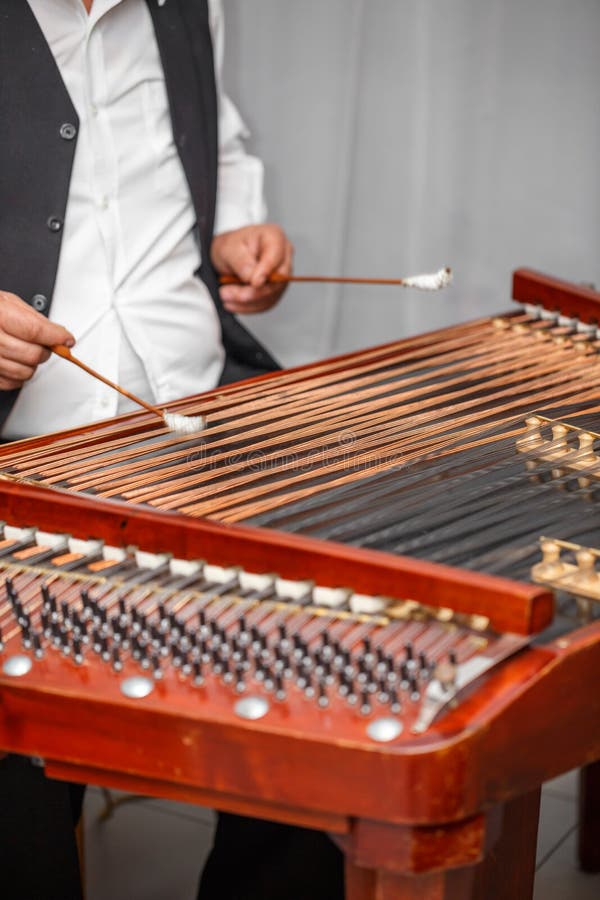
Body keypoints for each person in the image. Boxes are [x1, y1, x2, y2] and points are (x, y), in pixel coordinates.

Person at [0, 1, 344, 898]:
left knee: (311, 724)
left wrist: (236, 224)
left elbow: (207, 140)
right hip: (21, 459)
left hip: (203, 419)